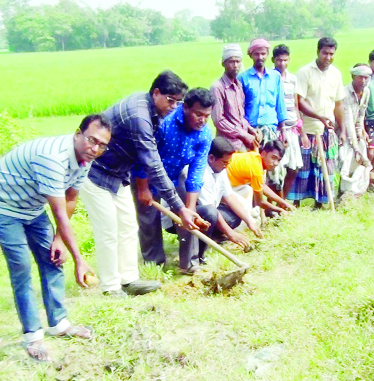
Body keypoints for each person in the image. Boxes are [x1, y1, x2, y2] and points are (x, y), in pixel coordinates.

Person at [0, 115, 111, 362]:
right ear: (77, 134)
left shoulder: (85, 159)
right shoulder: (53, 158)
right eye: (92, 140)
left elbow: (71, 198)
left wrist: (59, 241)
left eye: (102, 145)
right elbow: (59, 212)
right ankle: (32, 334)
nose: (96, 148)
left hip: (31, 207)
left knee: (53, 258)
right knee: (21, 267)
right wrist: (80, 259)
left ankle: (59, 323)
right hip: (0, 205)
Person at [81, 70, 200, 298]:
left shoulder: (152, 111)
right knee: (108, 229)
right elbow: (152, 162)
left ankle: (129, 279)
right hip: (95, 172)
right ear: (156, 93)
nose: (174, 106)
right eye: (170, 100)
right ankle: (111, 286)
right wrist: (179, 207)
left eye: (178, 102)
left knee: (128, 226)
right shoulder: (139, 115)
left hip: (119, 174)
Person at [132, 88, 214, 275]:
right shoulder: (164, 123)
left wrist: (190, 208)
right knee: (149, 220)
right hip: (148, 175)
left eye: (207, 116)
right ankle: (155, 266)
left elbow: (196, 171)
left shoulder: (204, 134)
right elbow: (142, 156)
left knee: (188, 215)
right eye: (198, 114)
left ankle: (189, 264)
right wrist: (143, 187)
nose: (202, 120)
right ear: (185, 108)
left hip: (177, 177)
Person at [175, 137, 264, 270]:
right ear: (211, 158)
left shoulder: (220, 170)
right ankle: (198, 255)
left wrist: (249, 221)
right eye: (224, 162)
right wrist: (231, 234)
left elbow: (229, 197)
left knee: (235, 215)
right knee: (210, 213)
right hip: (183, 217)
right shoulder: (200, 171)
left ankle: (213, 236)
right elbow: (211, 209)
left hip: (206, 211)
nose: (227, 166)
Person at [290, 37, 345, 208]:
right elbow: (299, 101)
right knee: (303, 169)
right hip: (306, 130)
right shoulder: (305, 72)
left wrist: (342, 129)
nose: (328, 57)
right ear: (318, 52)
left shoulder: (336, 74)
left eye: (331, 54)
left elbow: (338, 104)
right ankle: (295, 204)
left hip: (326, 130)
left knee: (324, 169)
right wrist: (319, 116)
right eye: (325, 53)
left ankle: (319, 204)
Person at [238, 38, 288, 144]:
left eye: (263, 54)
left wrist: (283, 130)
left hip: (271, 130)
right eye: (256, 54)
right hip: (251, 131)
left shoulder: (275, 76)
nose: (260, 57)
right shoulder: (243, 78)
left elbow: (280, 104)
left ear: (267, 54)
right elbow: (239, 108)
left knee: (272, 159)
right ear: (251, 55)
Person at [211, 44, 259, 152]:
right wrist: (243, 134)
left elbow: (240, 116)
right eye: (231, 62)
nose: (236, 65)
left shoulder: (238, 85)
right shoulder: (217, 88)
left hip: (241, 143)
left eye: (238, 61)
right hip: (226, 145)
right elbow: (219, 120)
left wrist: (251, 130)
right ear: (224, 63)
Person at [226, 140, 295, 215]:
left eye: (278, 160)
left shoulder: (255, 156)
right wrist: (280, 210)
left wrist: (284, 203)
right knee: (246, 212)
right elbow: (260, 202)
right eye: (273, 158)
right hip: (222, 182)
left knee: (248, 191)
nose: (275, 163)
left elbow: (262, 186)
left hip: (228, 180)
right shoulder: (257, 170)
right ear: (263, 154)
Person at [272, 44, 304, 200]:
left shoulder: (293, 79)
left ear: (289, 59)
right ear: (273, 60)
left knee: (294, 168)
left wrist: (302, 131)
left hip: (292, 129)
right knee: (275, 171)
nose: (282, 64)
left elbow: (296, 104)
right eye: (279, 60)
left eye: (285, 60)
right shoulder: (270, 77)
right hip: (277, 130)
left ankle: (282, 202)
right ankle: (272, 205)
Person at [340, 63, 372, 196]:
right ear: (353, 76)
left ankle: (353, 192)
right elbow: (347, 122)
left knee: (358, 161)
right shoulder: (345, 93)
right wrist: (356, 147)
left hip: (354, 131)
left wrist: (360, 133)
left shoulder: (366, 92)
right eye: (360, 77)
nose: (363, 81)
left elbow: (360, 116)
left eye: (366, 78)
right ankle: (341, 192)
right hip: (341, 131)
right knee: (344, 161)